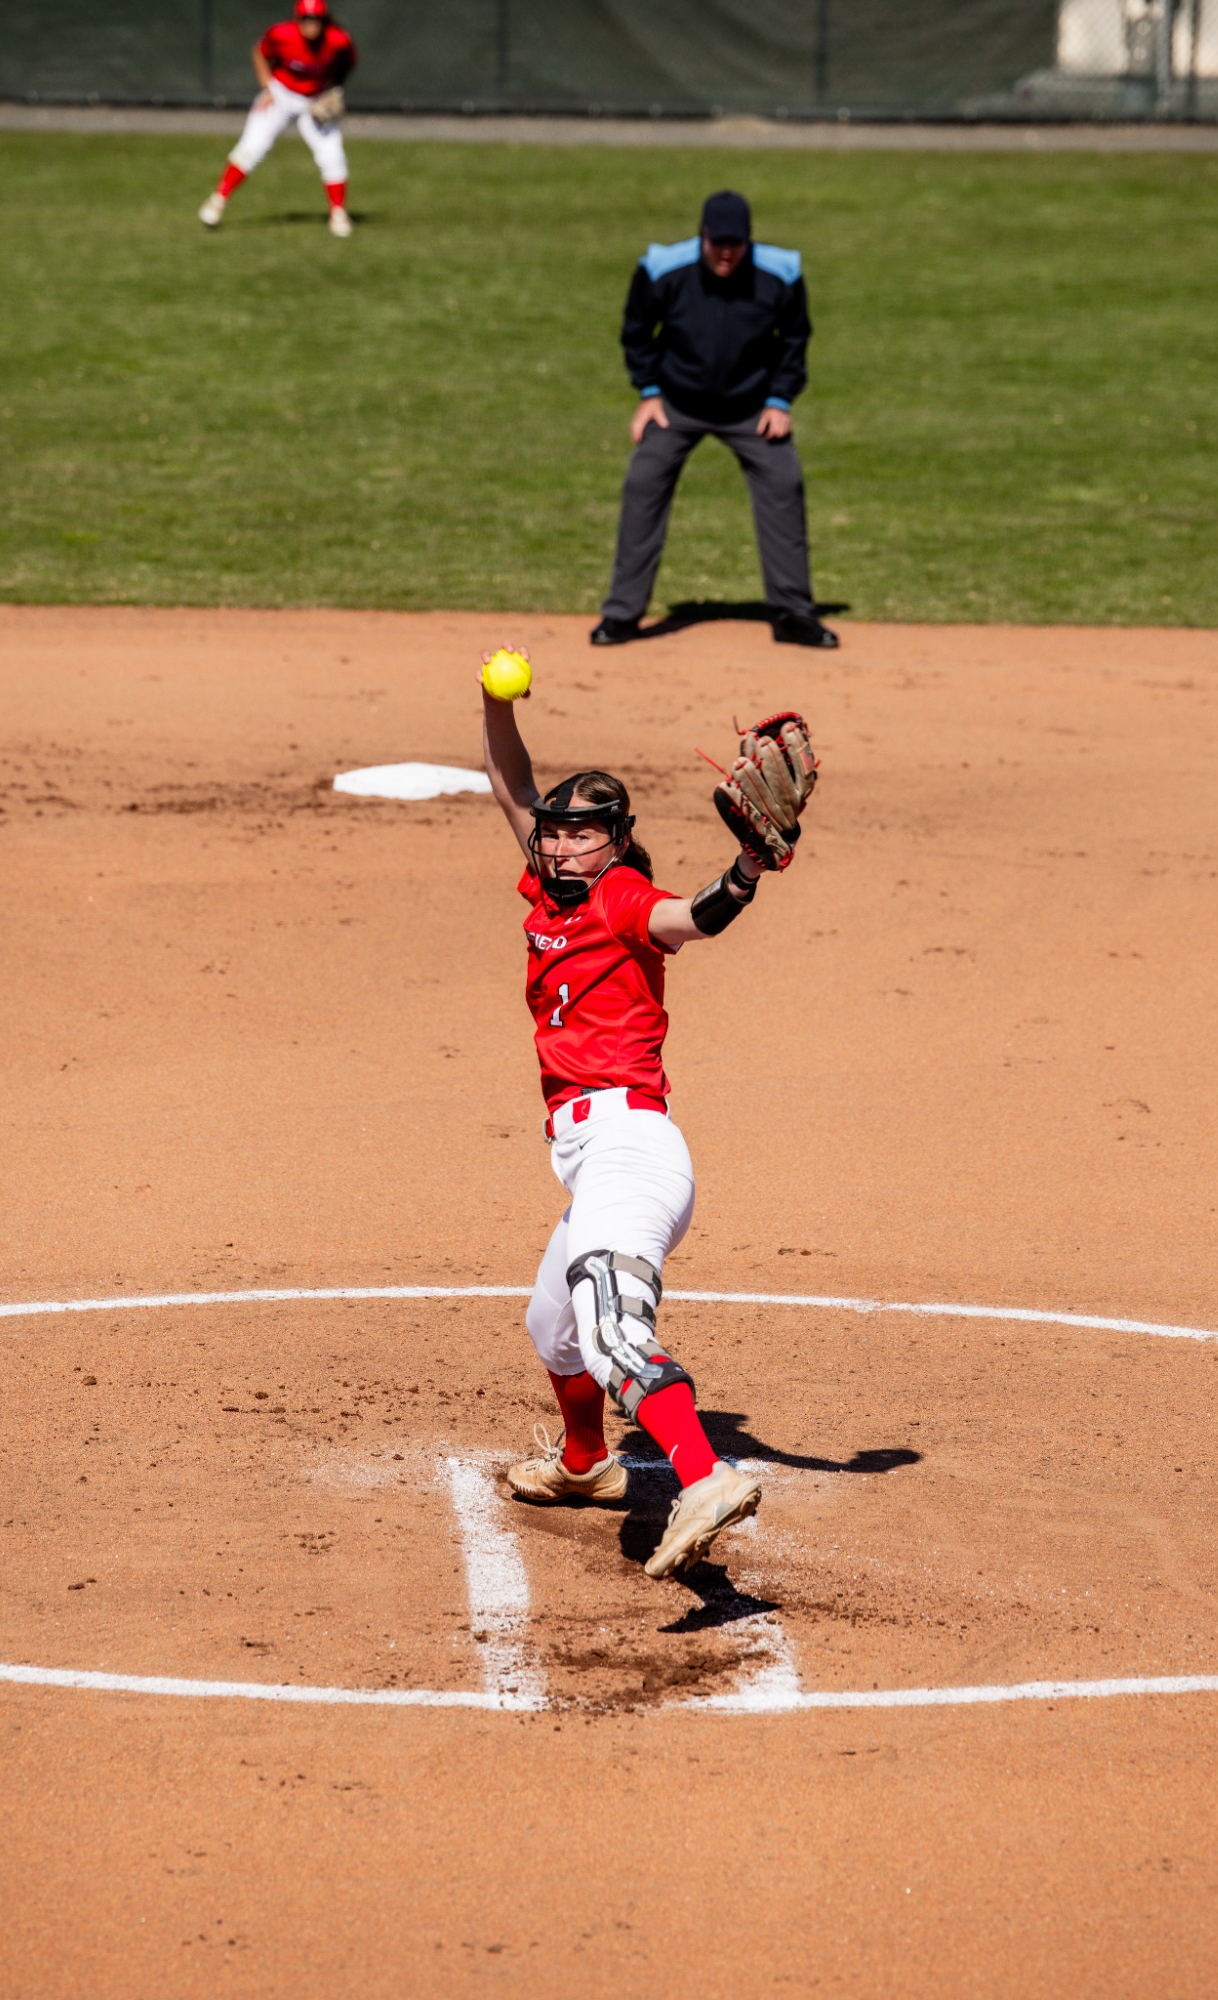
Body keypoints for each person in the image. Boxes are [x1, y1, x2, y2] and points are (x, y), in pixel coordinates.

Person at [480, 663, 789, 1581]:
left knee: (614, 1331)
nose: (560, 845)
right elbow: (507, 779)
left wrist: (744, 870)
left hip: (630, 1149)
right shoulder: (547, 894)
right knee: (555, 1329)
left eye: (579, 835)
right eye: (554, 834)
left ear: (611, 845)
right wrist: (497, 703)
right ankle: (585, 1468)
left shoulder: (619, 898)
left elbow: (688, 917)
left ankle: (703, 1473)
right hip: (591, 1160)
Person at [593, 189, 837, 652]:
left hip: (752, 409)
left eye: (736, 244)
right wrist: (648, 392)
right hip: (677, 404)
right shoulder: (662, 269)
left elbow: (794, 340)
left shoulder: (780, 274)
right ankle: (621, 615)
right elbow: (637, 330)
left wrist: (780, 400)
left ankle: (793, 615)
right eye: (718, 242)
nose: (726, 253)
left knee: (784, 482)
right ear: (702, 235)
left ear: (749, 240)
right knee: (643, 480)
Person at [198, 0, 357, 238]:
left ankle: (338, 212)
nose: (311, 24)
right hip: (281, 93)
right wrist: (267, 87)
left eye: (316, 19)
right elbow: (259, 53)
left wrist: (334, 88)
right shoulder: (281, 33)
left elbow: (348, 62)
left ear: (325, 20)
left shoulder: (338, 39)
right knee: (252, 148)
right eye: (306, 18)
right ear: (297, 18)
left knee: (332, 155)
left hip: (315, 100)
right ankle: (218, 200)